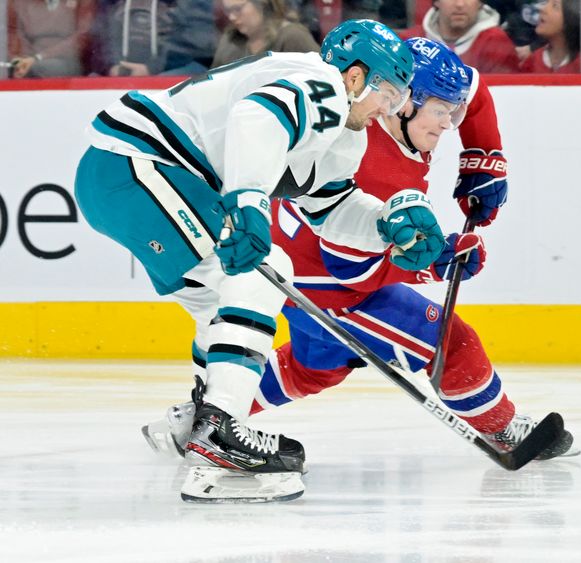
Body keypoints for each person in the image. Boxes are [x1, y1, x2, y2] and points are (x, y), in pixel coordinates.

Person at [144, 37, 574, 460]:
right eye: (442, 111)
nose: (448, 124)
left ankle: (199, 420)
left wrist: (483, 152)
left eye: (453, 112)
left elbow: (473, 87)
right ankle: (503, 429)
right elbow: (351, 270)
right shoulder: (372, 165)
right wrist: (436, 262)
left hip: (300, 258)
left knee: (318, 365)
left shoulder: (389, 101)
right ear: (404, 103)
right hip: (328, 281)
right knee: (450, 342)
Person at [75, 19, 439, 500]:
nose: (386, 110)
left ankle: (205, 425)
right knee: (267, 276)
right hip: (139, 163)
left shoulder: (343, 135)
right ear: (355, 77)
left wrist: (388, 228)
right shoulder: (323, 83)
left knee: (218, 304)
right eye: (387, 94)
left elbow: (330, 210)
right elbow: (258, 117)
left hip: (120, 175)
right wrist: (248, 202)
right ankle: (220, 434)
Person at [398, 0, 520, 74]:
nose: (460, 4)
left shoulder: (497, 42)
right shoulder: (409, 40)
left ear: (480, 3)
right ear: (436, 1)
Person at [211, 0, 319, 69]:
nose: (232, 17)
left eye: (237, 9)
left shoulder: (293, 36)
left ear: (262, 4)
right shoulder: (230, 39)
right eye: (227, 11)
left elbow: (326, 75)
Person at [7, 0, 95, 78]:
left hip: (65, 59)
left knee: (37, 68)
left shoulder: (82, 2)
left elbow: (82, 37)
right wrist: (22, 60)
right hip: (31, 60)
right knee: (17, 69)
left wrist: (38, 58)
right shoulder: (20, 3)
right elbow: (16, 34)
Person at [89, 0, 174, 77]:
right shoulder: (109, 3)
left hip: (163, 78)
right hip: (115, 78)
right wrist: (110, 67)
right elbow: (100, 37)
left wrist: (152, 69)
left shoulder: (178, 4)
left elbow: (181, 43)